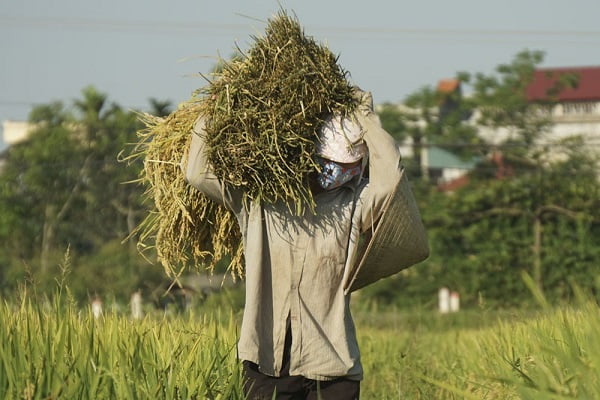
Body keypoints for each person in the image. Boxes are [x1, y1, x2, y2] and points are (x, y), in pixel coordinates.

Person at [185, 88, 403, 399]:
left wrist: (363, 117)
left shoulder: (354, 203)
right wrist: (216, 106)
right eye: (333, 164)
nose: (341, 173)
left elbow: (391, 180)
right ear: (311, 158)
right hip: (265, 364)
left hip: (332, 366)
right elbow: (198, 173)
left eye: (352, 167)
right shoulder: (259, 201)